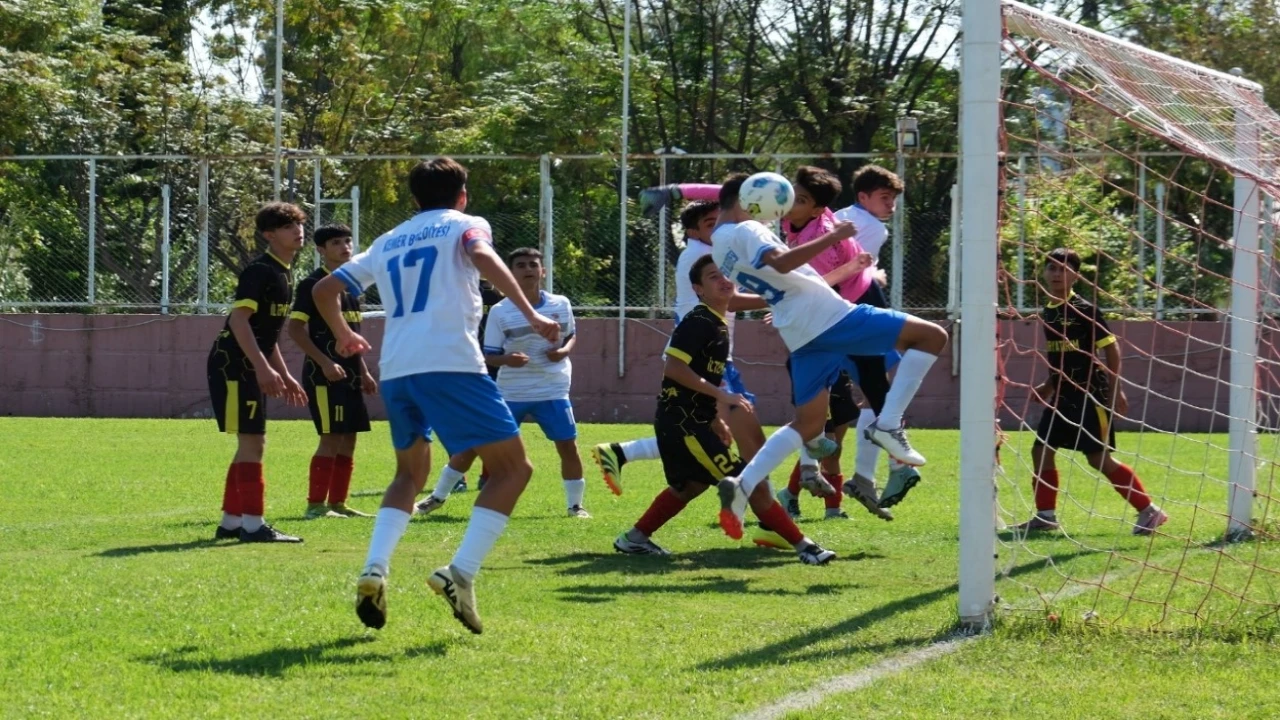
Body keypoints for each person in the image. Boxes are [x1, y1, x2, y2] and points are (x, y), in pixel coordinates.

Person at [312, 158, 560, 634]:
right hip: (451, 363)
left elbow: (325, 289)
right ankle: (460, 573)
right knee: (514, 469)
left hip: (398, 369)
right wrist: (531, 314)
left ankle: (374, 568)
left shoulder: (389, 239)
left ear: (414, 199)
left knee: (408, 474)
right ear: (462, 195)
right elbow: (483, 255)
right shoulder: (465, 224)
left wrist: (344, 334)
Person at [710, 173, 948, 539]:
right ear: (748, 199)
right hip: (829, 317)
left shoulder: (719, 245)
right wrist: (833, 237)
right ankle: (888, 425)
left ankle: (743, 485)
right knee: (932, 336)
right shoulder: (748, 228)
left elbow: (750, 293)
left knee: (808, 425)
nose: (774, 214)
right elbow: (781, 263)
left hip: (798, 332)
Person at [613, 255, 836, 565]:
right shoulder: (699, 321)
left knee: (690, 486)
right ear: (698, 289)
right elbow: (674, 368)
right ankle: (805, 547)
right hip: (685, 423)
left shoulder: (717, 323)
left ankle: (634, 538)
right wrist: (722, 396)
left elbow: (706, 373)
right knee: (750, 483)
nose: (723, 280)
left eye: (726, 274)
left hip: (692, 420)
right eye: (713, 276)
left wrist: (716, 417)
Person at [592, 201, 794, 497]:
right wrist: (781, 296)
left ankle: (622, 452)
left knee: (723, 434)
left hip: (712, 356)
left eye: (720, 221)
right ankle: (766, 505)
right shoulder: (703, 257)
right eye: (710, 224)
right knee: (731, 433)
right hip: (700, 357)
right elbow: (733, 300)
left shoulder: (711, 253)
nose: (719, 228)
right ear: (692, 232)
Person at [418, 248, 590, 518]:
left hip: (553, 388)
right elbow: (489, 356)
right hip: (511, 391)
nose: (528, 269)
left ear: (543, 271)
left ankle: (575, 506)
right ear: (510, 273)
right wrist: (508, 360)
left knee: (567, 445)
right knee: (475, 444)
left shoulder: (560, 303)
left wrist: (564, 351)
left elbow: (571, 335)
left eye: (533, 264)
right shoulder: (501, 311)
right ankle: (437, 497)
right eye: (520, 265)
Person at [1013, 248, 1168, 535]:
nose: (1057, 274)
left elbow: (1111, 349)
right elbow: (1063, 356)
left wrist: (1115, 391)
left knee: (1098, 458)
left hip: (1089, 394)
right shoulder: (1049, 311)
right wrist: (1048, 385)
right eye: (1052, 268)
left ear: (1076, 275)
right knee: (1041, 450)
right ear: (1043, 273)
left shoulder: (1084, 310)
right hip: (1062, 396)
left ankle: (1149, 511)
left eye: (1064, 269)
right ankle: (1045, 516)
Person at [208, 202, 309, 543]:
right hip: (234, 363)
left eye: (299, 224)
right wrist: (262, 368)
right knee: (253, 441)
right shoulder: (260, 271)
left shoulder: (284, 272)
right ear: (269, 235)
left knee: (250, 441)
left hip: (248, 363)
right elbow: (239, 321)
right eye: (287, 226)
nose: (298, 231)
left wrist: (284, 373)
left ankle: (232, 522)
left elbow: (267, 334)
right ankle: (253, 526)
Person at [832, 164, 923, 511]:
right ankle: (887, 468)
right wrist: (871, 277)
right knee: (917, 352)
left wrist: (871, 273)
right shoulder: (870, 227)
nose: (891, 206)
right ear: (863, 196)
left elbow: (845, 264)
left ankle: (864, 477)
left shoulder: (841, 216)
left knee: (867, 395)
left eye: (894, 199)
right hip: (852, 314)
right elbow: (850, 271)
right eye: (885, 198)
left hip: (827, 312)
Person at [286, 224, 377, 520]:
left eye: (348, 241)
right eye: (336, 242)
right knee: (331, 437)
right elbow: (295, 329)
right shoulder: (313, 284)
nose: (345, 247)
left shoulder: (350, 287)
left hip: (350, 374)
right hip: (324, 375)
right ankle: (315, 505)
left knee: (349, 437)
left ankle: (338, 503)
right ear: (321, 250)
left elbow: (350, 335)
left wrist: (363, 371)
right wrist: (324, 362)